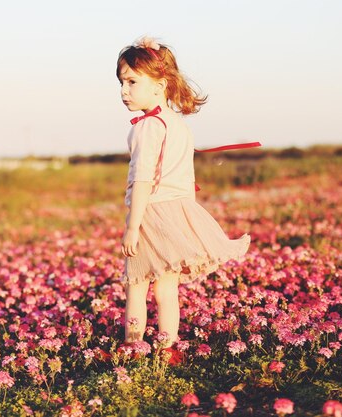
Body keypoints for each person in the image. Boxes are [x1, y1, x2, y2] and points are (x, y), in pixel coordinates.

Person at [117, 36, 250, 363]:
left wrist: (133, 226)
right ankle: (167, 349)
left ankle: (134, 350)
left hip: (151, 213)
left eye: (132, 82)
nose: (124, 90)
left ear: (159, 85)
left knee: (136, 285)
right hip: (178, 211)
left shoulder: (147, 126)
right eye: (121, 83)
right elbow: (185, 178)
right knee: (166, 289)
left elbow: (143, 178)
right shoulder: (177, 124)